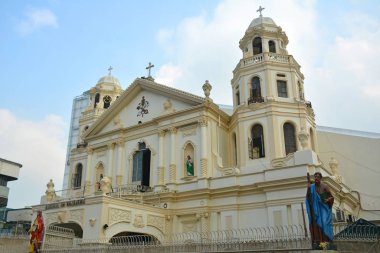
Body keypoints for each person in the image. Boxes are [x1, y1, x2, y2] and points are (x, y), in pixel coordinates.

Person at [306, 172, 334, 250]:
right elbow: (308, 197)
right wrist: (308, 187)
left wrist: (327, 199)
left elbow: (331, 197)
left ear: (321, 178)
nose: (316, 178)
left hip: (324, 208)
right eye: (315, 177)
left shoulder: (325, 186)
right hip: (316, 209)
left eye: (318, 177)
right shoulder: (312, 187)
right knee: (317, 225)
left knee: (324, 223)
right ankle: (319, 242)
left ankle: (327, 242)